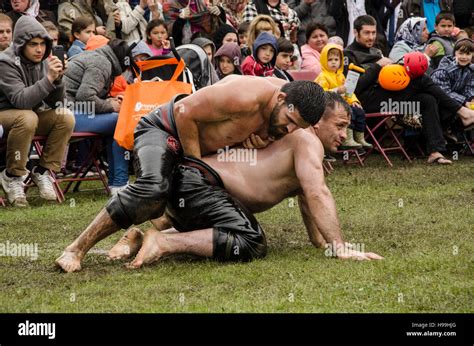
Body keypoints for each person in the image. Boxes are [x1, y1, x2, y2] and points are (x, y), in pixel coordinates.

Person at [55, 75, 328, 272]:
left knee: (199, 200)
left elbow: (225, 134)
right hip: (163, 130)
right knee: (153, 189)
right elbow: (183, 111)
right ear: (282, 99)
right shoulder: (247, 93)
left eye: (297, 127)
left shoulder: (275, 115)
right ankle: (76, 248)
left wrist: (245, 144)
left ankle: (142, 236)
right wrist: (194, 163)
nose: (291, 130)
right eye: (290, 121)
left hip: (196, 150)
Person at [107, 92, 384, 267]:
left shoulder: (298, 141)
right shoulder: (307, 142)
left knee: (230, 227)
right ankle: (162, 242)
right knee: (251, 240)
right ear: (315, 122)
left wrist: (322, 243)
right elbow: (317, 193)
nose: (342, 135)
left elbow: (306, 197)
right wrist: (340, 246)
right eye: (339, 126)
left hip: (198, 190)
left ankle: (140, 236)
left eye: (346, 127)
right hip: (201, 185)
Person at [344, 15, 474, 165]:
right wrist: (377, 67)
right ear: (355, 32)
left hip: (395, 103)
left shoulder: (376, 50)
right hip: (369, 104)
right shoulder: (349, 54)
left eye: (373, 32)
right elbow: (352, 88)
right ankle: (462, 112)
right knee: (419, 78)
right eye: (367, 33)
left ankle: (435, 151)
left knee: (427, 99)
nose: (371, 37)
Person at [0, 16, 75, 207]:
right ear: (21, 44)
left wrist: (57, 80)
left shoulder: (43, 60)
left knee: (64, 117)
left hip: (29, 116)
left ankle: (43, 171)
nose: (39, 49)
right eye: (33, 44)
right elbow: (21, 100)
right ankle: (12, 175)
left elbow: (57, 103)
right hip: (5, 115)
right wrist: (48, 79)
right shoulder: (5, 62)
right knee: (27, 117)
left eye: (43, 44)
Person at [64, 39, 130, 195]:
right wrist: (110, 106)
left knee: (114, 126)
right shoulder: (102, 63)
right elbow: (85, 97)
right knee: (121, 122)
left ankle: (117, 182)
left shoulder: (97, 57)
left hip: (68, 111)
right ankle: (119, 184)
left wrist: (108, 101)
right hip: (65, 115)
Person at [315, 43, 372, 149]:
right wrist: (337, 90)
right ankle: (347, 138)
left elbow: (349, 92)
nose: (333, 62)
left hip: (343, 104)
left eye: (336, 59)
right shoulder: (323, 76)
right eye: (330, 59)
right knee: (349, 114)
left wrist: (354, 101)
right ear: (323, 61)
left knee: (359, 112)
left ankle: (359, 137)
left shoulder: (341, 76)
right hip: (330, 106)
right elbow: (322, 93)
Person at [431, 38, 474, 116]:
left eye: (468, 54)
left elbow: (469, 87)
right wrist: (464, 101)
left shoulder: (471, 70)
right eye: (461, 53)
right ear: (455, 53)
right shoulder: (444, 70)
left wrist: (471, 98)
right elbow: (444, 92)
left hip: (457, 101)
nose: (464, 57)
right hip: (439, 103)